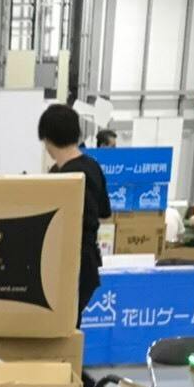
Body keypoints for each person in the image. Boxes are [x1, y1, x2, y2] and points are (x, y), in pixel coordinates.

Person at [38, 103, 112, 318]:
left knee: (61, 326)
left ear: (48, 139)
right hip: (88, 264)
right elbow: (105, 212)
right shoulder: (92, 166)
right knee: (71, 323)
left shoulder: (65, 177)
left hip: (67, 266)